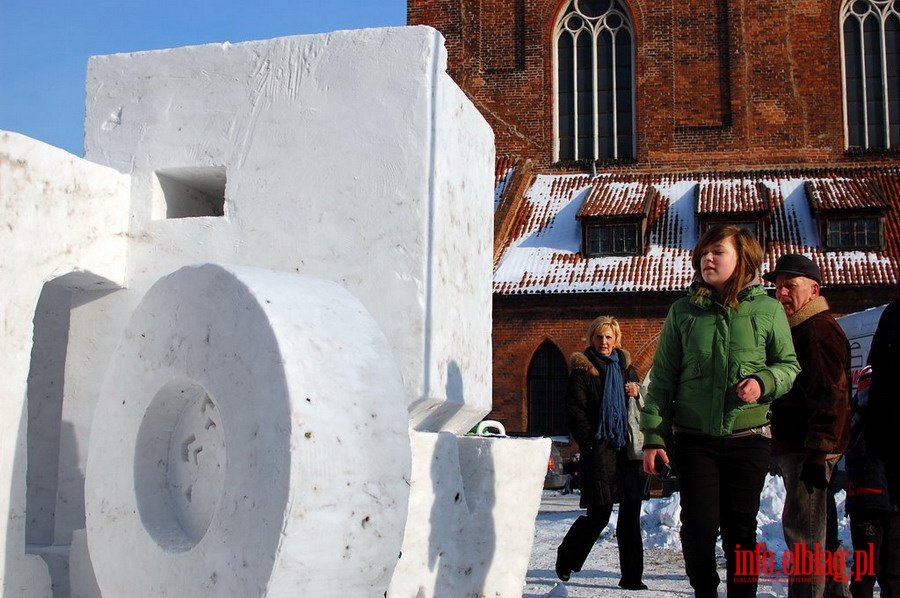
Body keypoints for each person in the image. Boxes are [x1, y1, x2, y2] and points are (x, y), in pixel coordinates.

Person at [641, 224, 800, 598]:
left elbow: (789, 365)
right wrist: (653, 436)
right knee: (698, 526)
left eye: (717, 252)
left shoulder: (769, 309)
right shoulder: (683, 312)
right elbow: (662, 378)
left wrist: (764, 381)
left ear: (742, 258)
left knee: (740, 529)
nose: (705, 259)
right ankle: (705, 593)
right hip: (696, 439)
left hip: (749, 439)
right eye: (702, 253)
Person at [764, 253, 852, 598]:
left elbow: (832, 396)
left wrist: (817, 453)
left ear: (814, 290)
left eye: (791, 286)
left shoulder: (816, 331)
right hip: (804, 447)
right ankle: (834, 592)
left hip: (808, 450)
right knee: (820, 532)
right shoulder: (804, 328)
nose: (782, 293)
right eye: (778, 287)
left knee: (804, 534)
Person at [555, 315, 647, 591]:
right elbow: (575, 411)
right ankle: (567, 557)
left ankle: (632, 577)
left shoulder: (627, 370)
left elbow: (644, 406)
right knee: (599, 515)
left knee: (631, 516)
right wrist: (590, 443)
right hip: (600, 450)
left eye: (609, 337)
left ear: (616, 340)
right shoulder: (583, 372)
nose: (604, 342)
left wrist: (636, 391)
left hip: (627, 451)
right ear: (591, 339)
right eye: (599, 337)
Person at [850, 298, 900, 597]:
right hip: (868, 499)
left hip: (882, 500)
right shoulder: (862, 417)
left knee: (890, 569)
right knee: (869, 570)